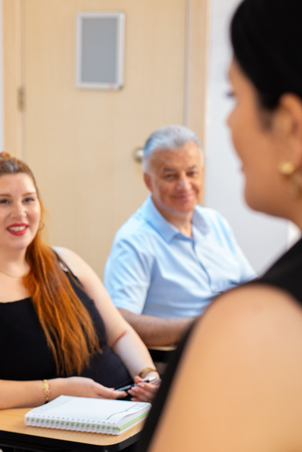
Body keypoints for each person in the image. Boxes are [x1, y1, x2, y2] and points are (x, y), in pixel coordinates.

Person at [135, 1, 302, 452]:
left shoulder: (257, 330)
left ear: (291, 123)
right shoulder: (138, 241)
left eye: (234, 96)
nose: (228, 120)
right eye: (171, 174)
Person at [0, 152, 160, 452]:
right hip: (57, 443)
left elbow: (119, 333)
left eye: (28, 199)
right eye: (3, 201)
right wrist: (58, 389)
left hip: (126, 417)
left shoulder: (66, 261)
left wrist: (149, 377)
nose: (20, 212)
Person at [103, 125, 254, 347]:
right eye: (170, 176)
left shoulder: (215, 222)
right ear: (148, 181)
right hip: (185, 356)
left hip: (236, 343)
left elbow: (249, 284)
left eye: (192, 173)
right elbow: (120, 322)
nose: (184, 186)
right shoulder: (134, 241)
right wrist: (204, 325)